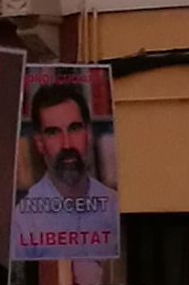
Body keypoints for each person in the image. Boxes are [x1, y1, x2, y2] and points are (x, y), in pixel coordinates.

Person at [14, 78, 116, 246]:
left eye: (74, 129)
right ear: (40, 143)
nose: (67, 144)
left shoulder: (113, 206)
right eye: (53, 132)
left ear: (88, 134)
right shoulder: (23, 222)